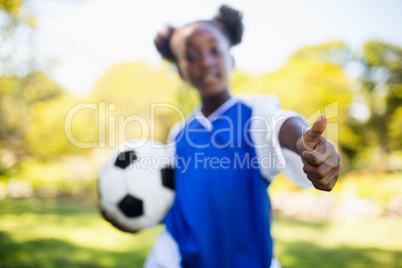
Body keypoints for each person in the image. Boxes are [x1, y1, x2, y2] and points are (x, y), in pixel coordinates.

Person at [100, 5, 341, 268]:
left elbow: (280, 124)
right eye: (191, 56)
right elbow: (179, 202)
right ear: (180, 71)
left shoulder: (253, 114)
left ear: (231, 58)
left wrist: (304, 141)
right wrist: (135, 220)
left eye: (215, 50)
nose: (205, 61)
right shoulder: (179, 134)